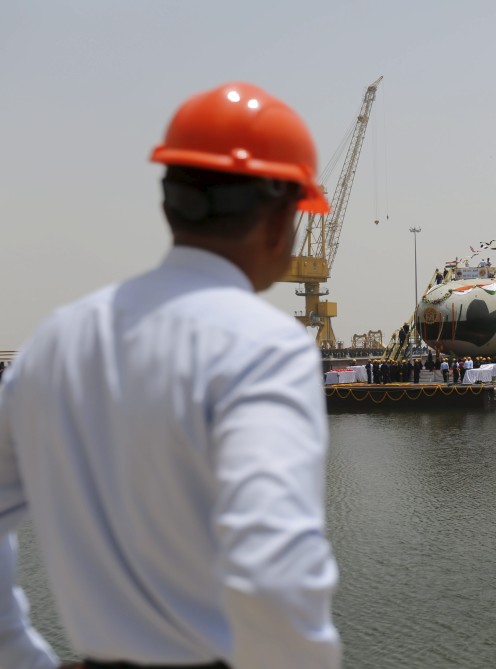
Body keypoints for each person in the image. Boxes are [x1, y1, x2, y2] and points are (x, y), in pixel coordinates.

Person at [0, 82, 341, 668]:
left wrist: (19, 654)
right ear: (281, 221)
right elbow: (275, 573)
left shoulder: (54, 342)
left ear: (168, 205)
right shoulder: (265, 347)